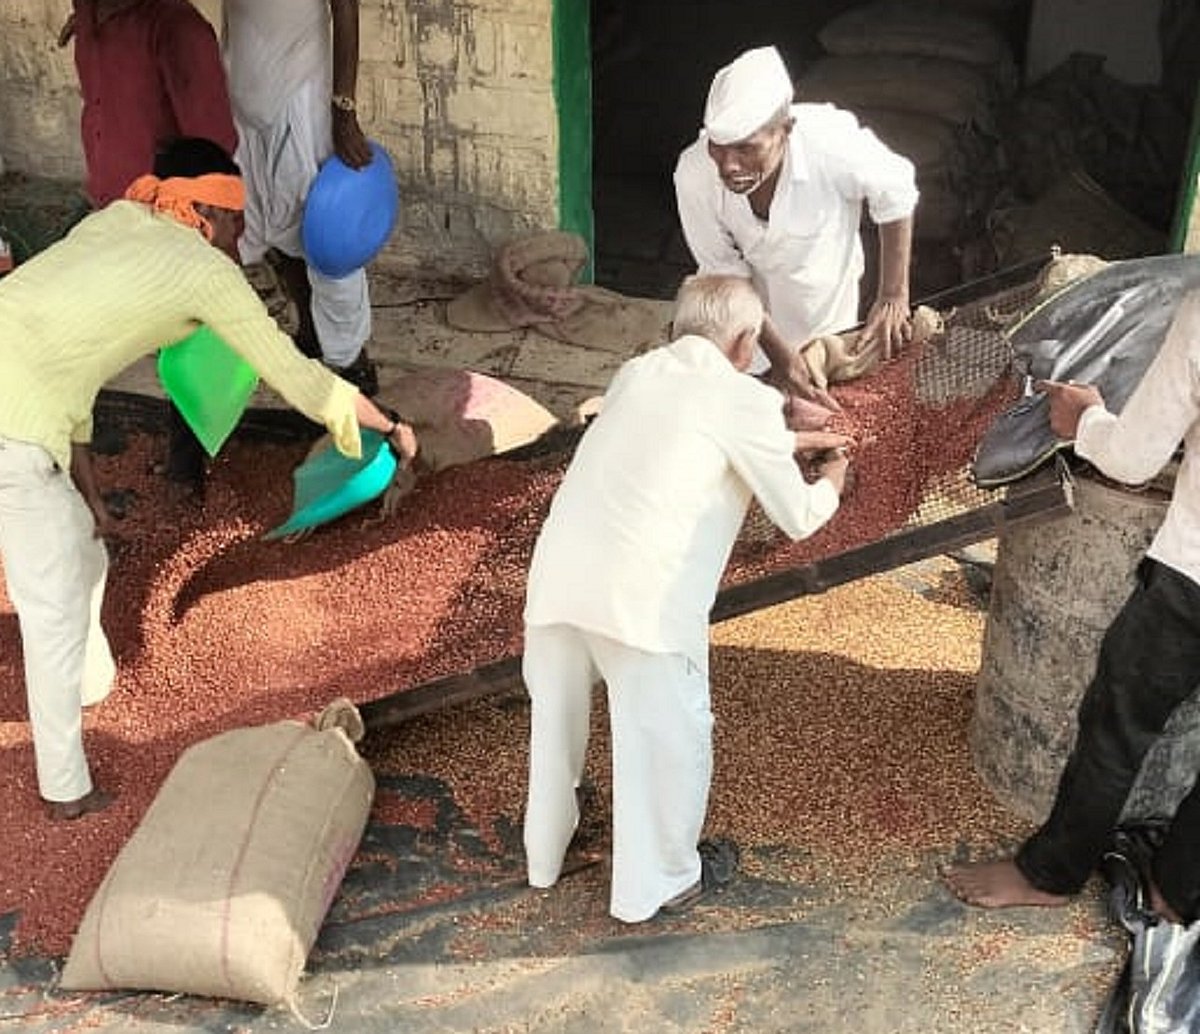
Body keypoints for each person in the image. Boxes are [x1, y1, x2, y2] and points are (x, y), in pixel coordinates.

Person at [0, 136, 417, 822]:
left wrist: (91, 488)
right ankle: (65, 787)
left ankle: (90, 681)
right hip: (15, 432)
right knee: (50, 612)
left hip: (31, 405)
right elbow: (298, 375)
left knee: (81, 547)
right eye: (232, 220)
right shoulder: (203, 271)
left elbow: (63, 359)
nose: (237, 236)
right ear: (198, 211)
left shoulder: (111, 220)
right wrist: (389, 422)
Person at [522, 274, 852, 922]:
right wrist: (836, 475)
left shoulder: (638, 374)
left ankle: (543, 858)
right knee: (667, 742)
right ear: (744, 343)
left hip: (558, 581)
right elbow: (799, 514)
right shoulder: (747, 403)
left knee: (554, 730)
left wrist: (785, 443)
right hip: (643, 603)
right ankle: (662, 882)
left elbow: (681, 431)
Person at [943, 290, 1200, 926]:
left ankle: (1050, 874)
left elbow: (1135, 460)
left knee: (1117, 727)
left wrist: (1082, 418)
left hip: (1192, 580)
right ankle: (1180, 890)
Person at [59, 0, 240, 496]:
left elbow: (213, 147)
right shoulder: (93, 21)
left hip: (167, 224)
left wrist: (207, 241)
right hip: (112, 209)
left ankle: (188, 471)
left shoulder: (179, 32)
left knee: (187, 342)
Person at [673, 45, 919, 409]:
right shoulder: (693, 174)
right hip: (750, 318)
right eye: (718, 148)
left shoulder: (831, 144)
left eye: (745, 149)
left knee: (826, 393)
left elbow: (896, 191)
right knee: (755, 407)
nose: (728, 166)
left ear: (785, 130)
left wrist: (893, 295)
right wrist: (779, 355)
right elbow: (725, 274)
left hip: (825, 300)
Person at [220, 0, 380, 397]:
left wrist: (344, 110)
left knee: (328, 239)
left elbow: (345, 9)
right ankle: (310, 341)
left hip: (299, 102)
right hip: (243, 102)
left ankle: (350, 365)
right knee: (278, 233)